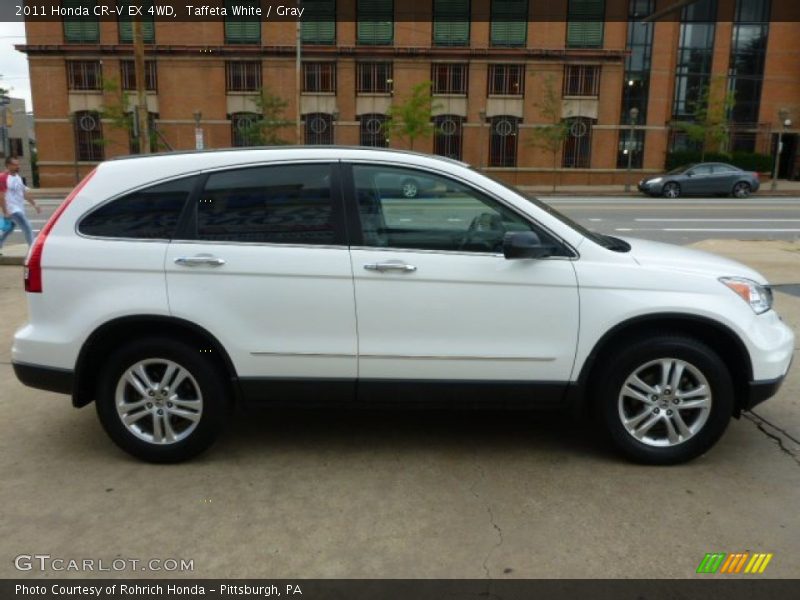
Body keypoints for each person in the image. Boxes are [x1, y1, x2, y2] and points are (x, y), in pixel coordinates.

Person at [0, 156, 41, 252]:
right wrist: (5, 211)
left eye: (18, 164)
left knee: (8, 229)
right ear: (8, 165)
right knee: (27, 227)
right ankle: (33, 250)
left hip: (18, 208)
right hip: (12, 210)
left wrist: (35, 204)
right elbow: (1, 196)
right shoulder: (3, 178)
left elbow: (23, 193)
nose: (18, 166)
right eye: (15, 165)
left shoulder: (18, 177)